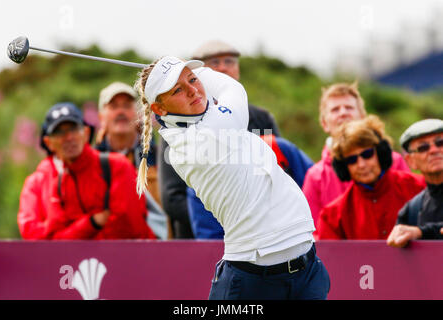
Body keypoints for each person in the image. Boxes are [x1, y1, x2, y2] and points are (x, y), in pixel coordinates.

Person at [134, 56, 330, 300]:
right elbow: (232, 88)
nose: (193, 91)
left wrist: (182, 73)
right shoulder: (192, 144)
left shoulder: (207, 119)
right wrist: (197, 72)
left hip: (307, 269)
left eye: (193, 80)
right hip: (254, 281)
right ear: (159, 109)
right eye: (178, 90)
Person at [157, 40, 283, 238]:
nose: (223, 67)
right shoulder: (177, 128)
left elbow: (276, 168)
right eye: (214, 62)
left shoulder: (261, 118)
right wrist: (230, 218)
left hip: (265, 234)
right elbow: (173, 198)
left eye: (230, 61)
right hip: (201, 239)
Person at [17, 102, 156, 240]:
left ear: (86, 133)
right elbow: (53, 242)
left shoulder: (118, 166)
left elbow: (130, 227)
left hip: (135, 258)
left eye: (73, 129)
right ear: (49, 143)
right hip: (88, 260)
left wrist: (77, 238)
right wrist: (92, 223)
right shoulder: (59, 182)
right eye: (59, 132)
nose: (68, 138)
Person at [302, 82, 410, 224]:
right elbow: (312, 233)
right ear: (324, 123)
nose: (343, 113)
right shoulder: (315, 177)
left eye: (349, 107)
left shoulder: (394, 161)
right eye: (335, 109)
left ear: (363, 116)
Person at [317, 115, 426, 240]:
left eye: (367, 154)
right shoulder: (332, 217)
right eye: (352, 160)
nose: (361, 165)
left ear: (381, 153)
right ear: (343, 167)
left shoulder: (421, 188)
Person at [187, 134, 314, 239]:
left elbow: (318, 195)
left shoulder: (276, 148)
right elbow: (213, 245)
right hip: (243, 262)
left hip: (304, 250)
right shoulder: (201, 179)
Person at [95, 82, 169, 239]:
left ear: (138, 114)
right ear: (101, 117)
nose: (121, 112)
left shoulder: (160, 157)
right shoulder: (92, 162)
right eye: (114, 106)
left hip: (159, 248)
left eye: (127, 105)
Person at [387, 119, 443, 247]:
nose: (434, 150)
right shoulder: (412, 210)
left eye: (440, 143)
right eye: (423, 148)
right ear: (410, 161)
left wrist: (420, 232)